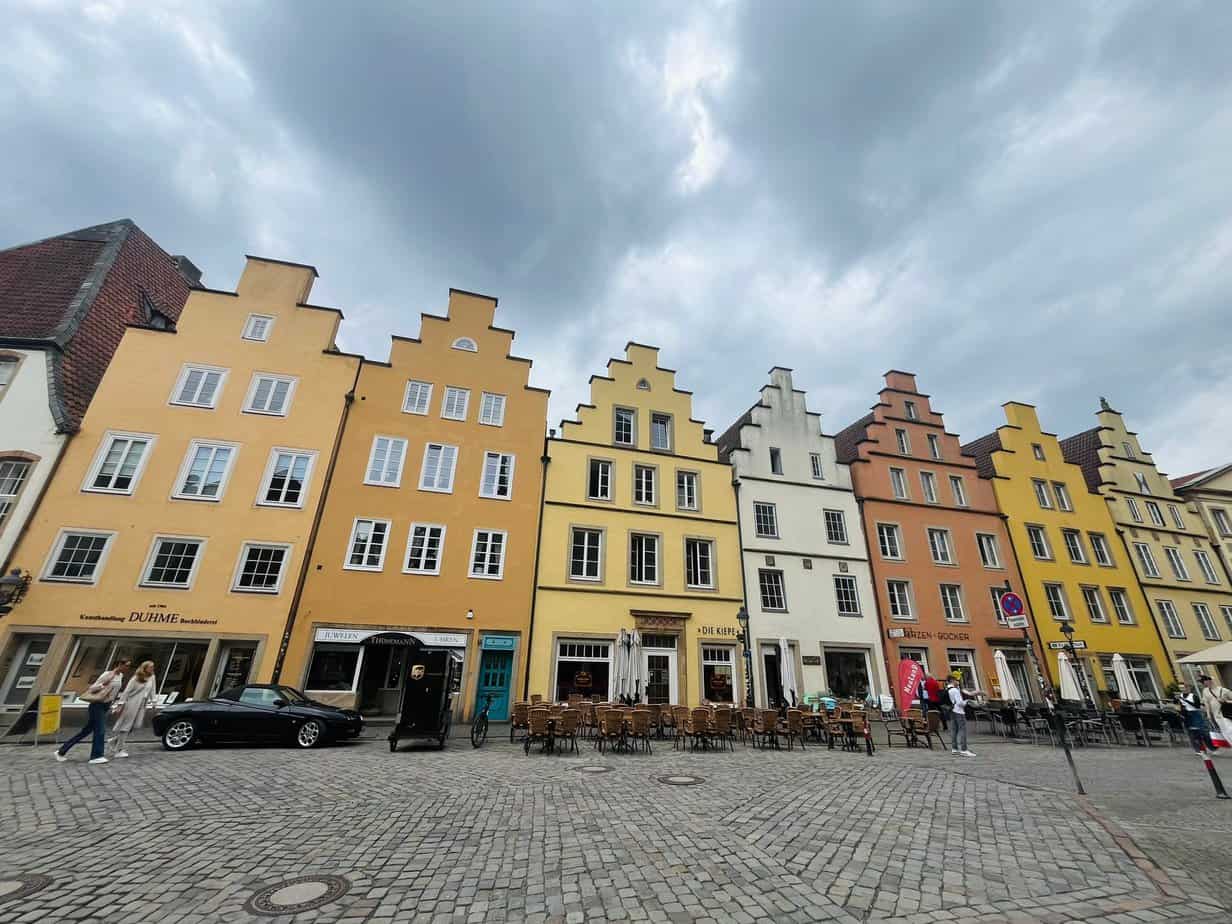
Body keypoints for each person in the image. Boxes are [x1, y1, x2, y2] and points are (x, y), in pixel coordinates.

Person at [55, 658, 130, 765]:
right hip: (97, 705)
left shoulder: (120, 676)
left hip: (105, 705)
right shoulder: (108, 674)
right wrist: (103, 685)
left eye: (129, 666)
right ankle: (96, 756)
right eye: (126, 665)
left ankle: (61, 752)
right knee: (100, 730)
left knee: (86, 731)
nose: (128, 668)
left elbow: (114, 692)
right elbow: (92, 687)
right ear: (119, 664)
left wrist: (113, 704)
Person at [109, 660, 158, 758]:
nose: (152, 669)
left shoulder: (152, 677)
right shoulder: (136, 678)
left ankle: (114, 740)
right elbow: (126, 692)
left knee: (136, 725)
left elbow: (153, 690)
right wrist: (120, 704)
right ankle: (119, 750)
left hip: (142, 704)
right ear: (145, 668)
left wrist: (154, 702)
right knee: (126, 726)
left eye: (153, 667)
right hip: (132, 703)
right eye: (150, 667)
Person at [1200, 675, 1232, 750]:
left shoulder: (1223, 690)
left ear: (1209, 681)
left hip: (1226, 714)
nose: (1203, 683)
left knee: (1230, 730)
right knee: (1224, 732)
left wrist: (1226, 701)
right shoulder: (1205, 691)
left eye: (1203, 681)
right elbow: (1207, 704)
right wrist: (1208, 715)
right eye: (1202, 682)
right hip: (1216, 715)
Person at [1176, 681, 1211, 752]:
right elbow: (1177, 706)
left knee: (1202, 731)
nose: (1182, 689)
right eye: (1180, 688)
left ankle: (1211, 747)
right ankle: (1198, 749)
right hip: (1186, 715)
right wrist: (1179, 711)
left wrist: (1184, 700)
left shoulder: (1193, 696)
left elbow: (1197, 706)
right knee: (1191, 733)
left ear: (1188, 688)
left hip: (1195, 714)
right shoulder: (1179, 697)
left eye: (1183, 687)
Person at [948, 676, 976, 757]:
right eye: (957, 680)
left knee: (954, 730)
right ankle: (964, 749)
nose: (958, 682)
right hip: (959, 711)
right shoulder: (955, 690)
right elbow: (960, 703)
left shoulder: (948, 689)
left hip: (952, 711)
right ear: (952, 681)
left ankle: (954, 748)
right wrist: (967, 701)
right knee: (962, 730)